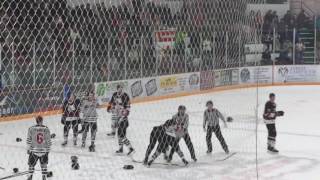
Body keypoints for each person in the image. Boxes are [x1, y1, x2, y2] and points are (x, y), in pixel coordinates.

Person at [26, 116, 52, 180]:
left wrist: (28, 149)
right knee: (44, 165)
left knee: (31, 165)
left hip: (34, 150)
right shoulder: (46, 129)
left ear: (36, 121)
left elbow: (29, 140)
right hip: (43, 150)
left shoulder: (31, 128)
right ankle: (44, 177)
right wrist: (48, 150)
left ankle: (30, 176)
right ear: (42, 121)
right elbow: (49, 141)